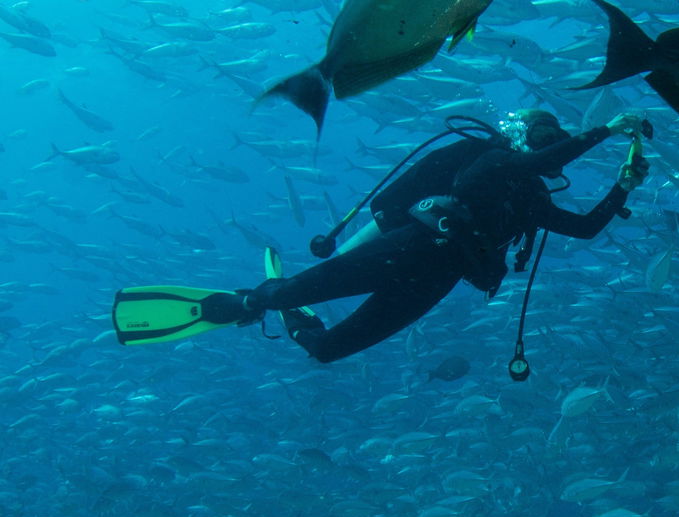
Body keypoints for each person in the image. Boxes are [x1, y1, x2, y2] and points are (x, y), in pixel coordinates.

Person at [220, 109, 648, 362]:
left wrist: (622, 187)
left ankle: (296, 324)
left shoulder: (532, 198)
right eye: (543, 136)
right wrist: (607, 130)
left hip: (436, 281)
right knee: (288, 292)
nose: (550, 145)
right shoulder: (493, 159)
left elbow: (584, 228)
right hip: (410, 248)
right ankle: (250, 302)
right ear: (521, 136)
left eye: (556, 140)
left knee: (329, 350)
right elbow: (531, 163)